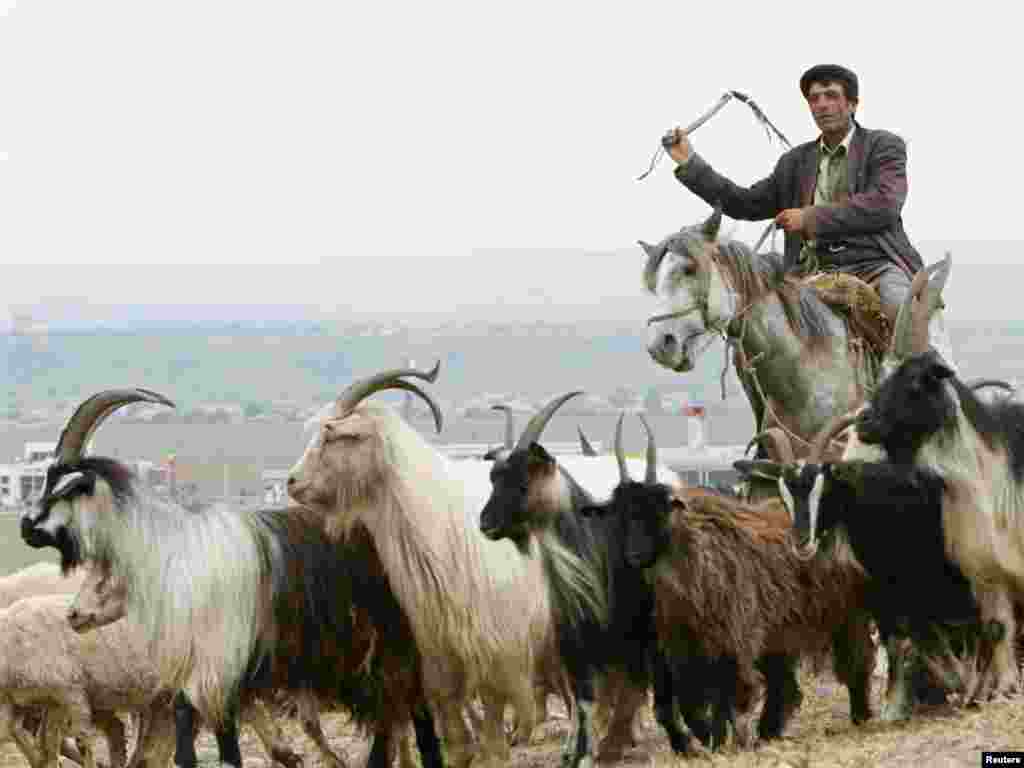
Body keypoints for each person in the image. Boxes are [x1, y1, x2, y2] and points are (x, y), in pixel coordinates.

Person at [665, 64, 920, 324]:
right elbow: (745, 204)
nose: (821, 105)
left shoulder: (883, 145)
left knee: (901, 309)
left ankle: (929, 364)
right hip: (807, 275)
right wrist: (689, 163)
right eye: (814, 98)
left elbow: (884, 204)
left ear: (853, 104)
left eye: (831, 96)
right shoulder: (794, 162)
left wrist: (809, 218)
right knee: (753, 328)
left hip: (873, 267)